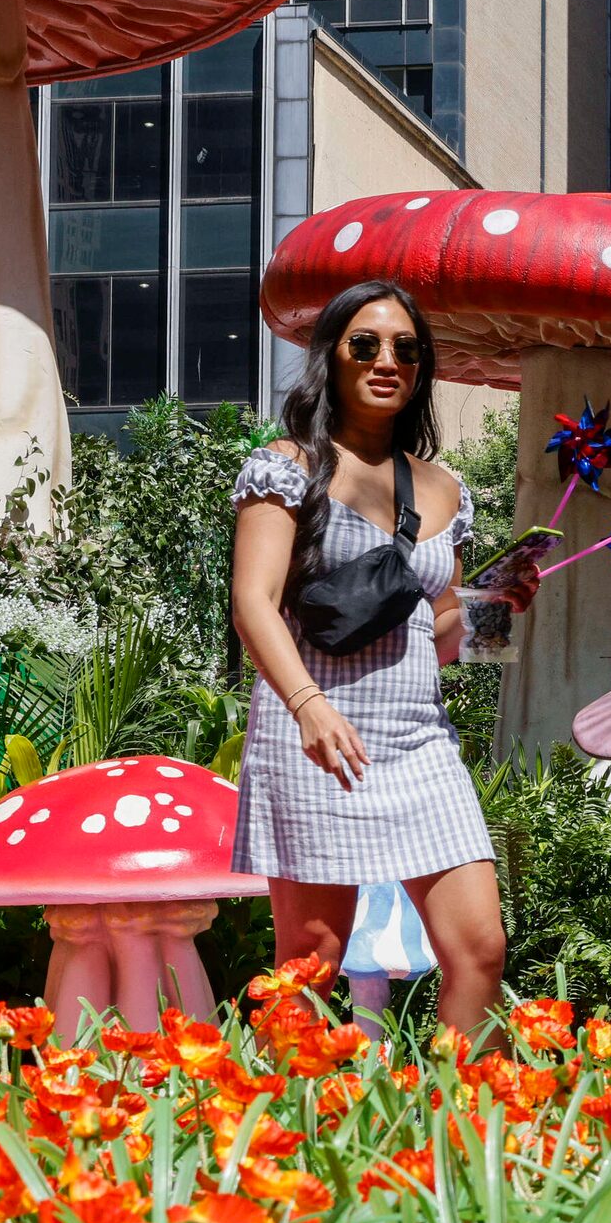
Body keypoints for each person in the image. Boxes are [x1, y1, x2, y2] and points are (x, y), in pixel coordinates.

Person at [227, 280, 536, 1039]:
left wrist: (498, 602)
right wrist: (307, 705)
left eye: (405, 347)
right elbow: (253, 604)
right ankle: (290, 1134)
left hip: (418, 742)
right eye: (365, 343)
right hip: (315, 734)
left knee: (480, 948)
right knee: (312, 957)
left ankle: (458, 1131)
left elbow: (446, 631)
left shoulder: (445, 489)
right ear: (331, 357)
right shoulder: (287, 466)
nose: (386, 359)